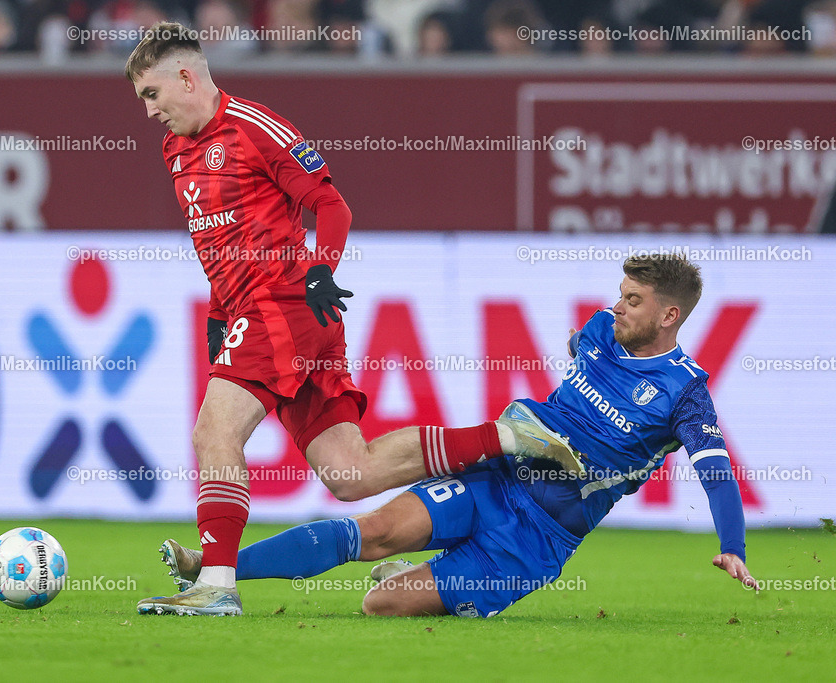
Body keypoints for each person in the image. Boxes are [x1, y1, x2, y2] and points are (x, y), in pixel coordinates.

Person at [125, 22, 585, 616]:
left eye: (152, 94)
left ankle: (216, 584)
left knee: (214, 433)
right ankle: (508, 436)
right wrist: (220, 316)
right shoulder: (176, 150)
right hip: (252, 310)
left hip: (287, 303)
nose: (149, 111)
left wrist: (320, 273)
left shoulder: (254, 127)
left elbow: (330, 204)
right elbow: (216, 244)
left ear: (187, 77)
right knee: (352, 473)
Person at [154, 255, 760, 617]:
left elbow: (715, 472)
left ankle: (416, 579)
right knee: (377, 531)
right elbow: (580, 350)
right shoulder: (602, 329)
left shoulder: (686, 392)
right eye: (620, 294)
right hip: (499, 478)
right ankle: (214, 568)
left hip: (537, 540)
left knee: (380, 606)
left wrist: (732, 543)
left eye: (634, 300)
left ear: (670, 316)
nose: (617, 306)